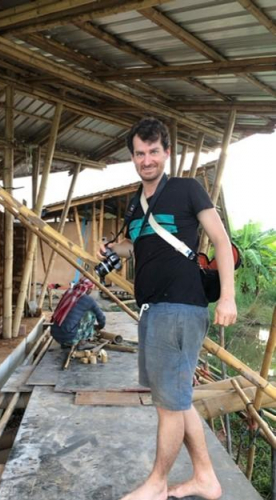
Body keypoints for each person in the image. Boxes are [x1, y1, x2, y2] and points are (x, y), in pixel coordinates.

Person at [98, 117, 237, 500]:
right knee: (175, 398)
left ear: (166, 153)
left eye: (153, 152)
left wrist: (228, 296)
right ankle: (206, 477)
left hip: (181, 306)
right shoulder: (135, 202)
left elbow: (221, 242)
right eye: (140, 153)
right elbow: (138, 247)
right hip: (153, 311)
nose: (147, 160)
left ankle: (157, 484)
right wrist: (114, 251)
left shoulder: (187, 190)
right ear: (132, 156)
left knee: (168, 407)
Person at [51, 278, 106, 347]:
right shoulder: (88, 300)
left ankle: (66, 341)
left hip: (55, 335)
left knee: (74, 314)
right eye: (91, 289)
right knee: (90, 314)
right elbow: (101, 318)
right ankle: (83, 341)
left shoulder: (68, 293)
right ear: (89, 289)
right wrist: (99, 327)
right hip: (70, 338)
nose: (91, 291)